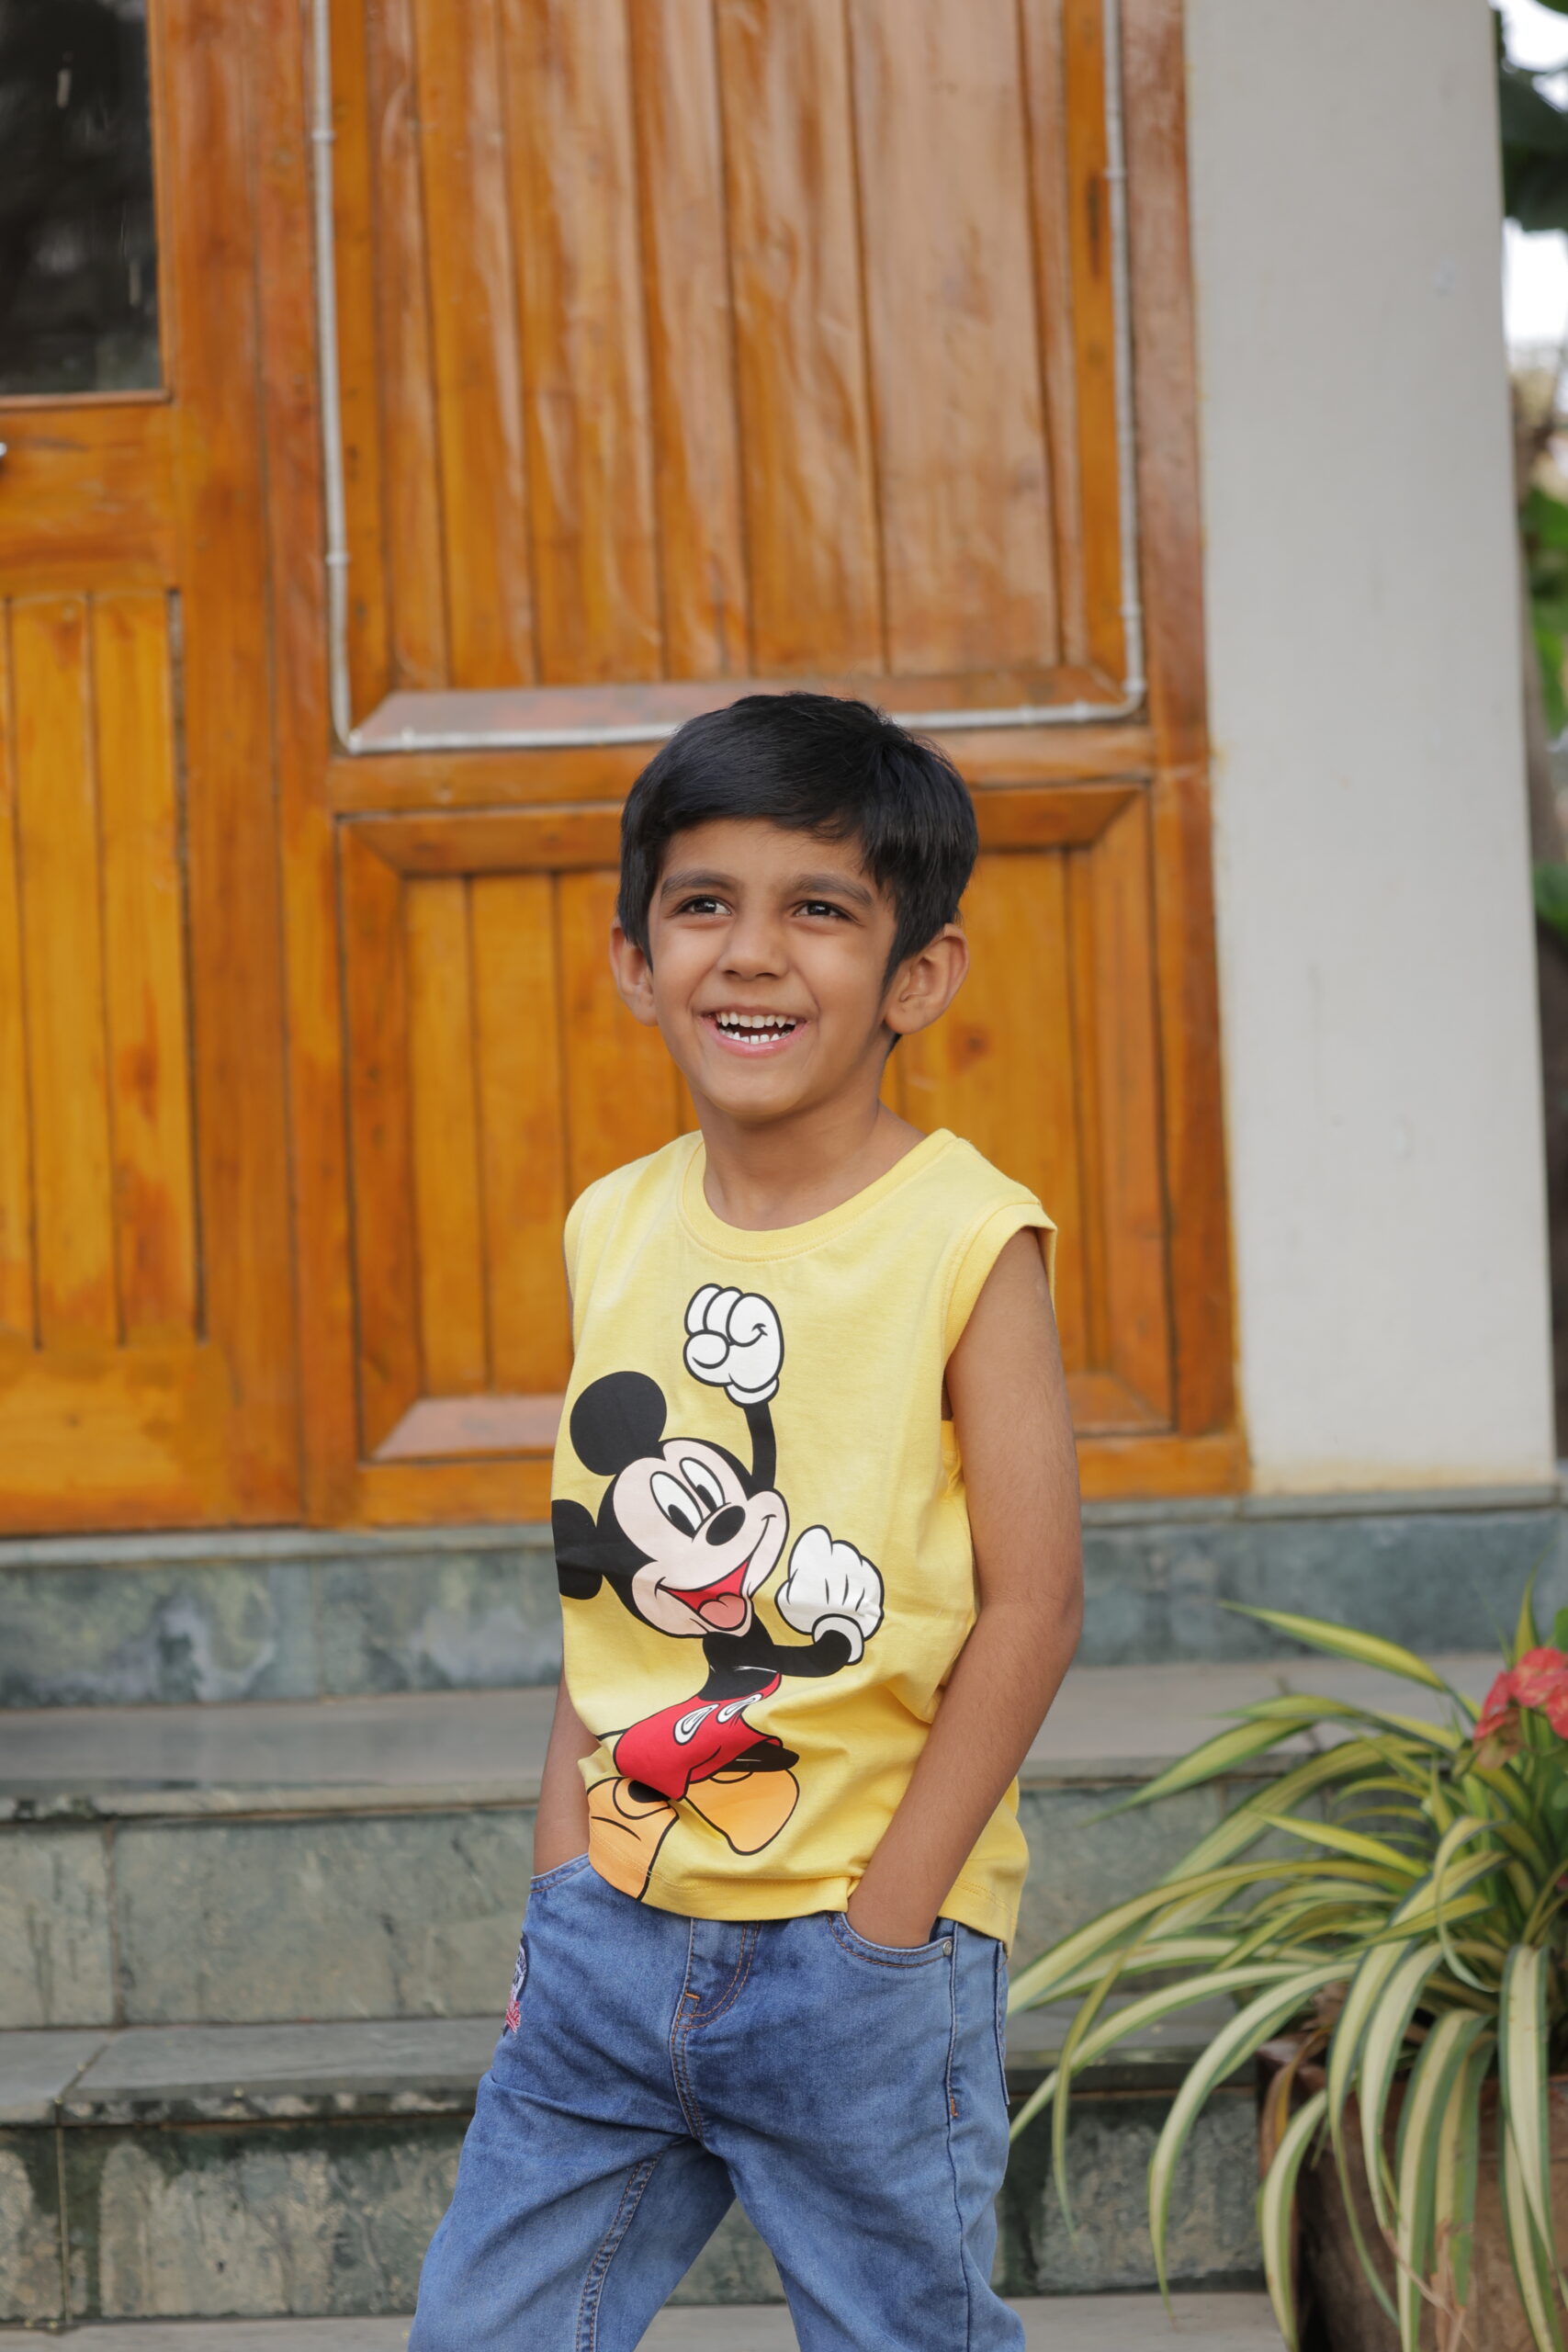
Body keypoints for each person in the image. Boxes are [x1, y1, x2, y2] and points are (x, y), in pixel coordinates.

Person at [409, 692, 1084, 2352]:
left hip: (856, 1952)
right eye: (703, 902)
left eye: (821, 909)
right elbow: (610, 1579)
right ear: (635, 957)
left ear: (917, 973)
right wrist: (563, 1875)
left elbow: (1035, 1605)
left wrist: (890, 1921)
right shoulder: (614, 1224)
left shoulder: (965, 1238)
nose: (752, 953)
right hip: (613, 1928)